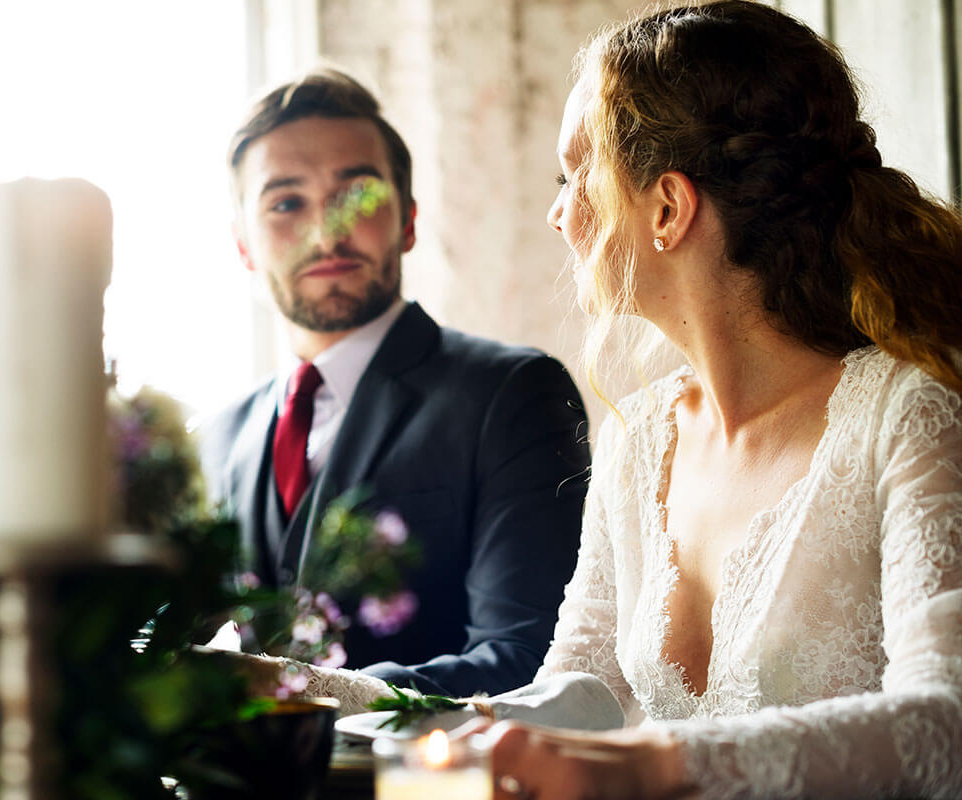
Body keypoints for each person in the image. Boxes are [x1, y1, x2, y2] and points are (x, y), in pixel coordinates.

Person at [287, 3, 962, 798]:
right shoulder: (640, 437)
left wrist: (657, 762)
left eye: (576, 173)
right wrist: (306, 692)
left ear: (668, 208)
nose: (558, 212)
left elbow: (944, 724)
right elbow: (569, 700)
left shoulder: (911, 416)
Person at [197, 68, 591, 699]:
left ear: (408, 220)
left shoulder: (514, 393)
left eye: (359, 193)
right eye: (286, 202)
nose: (326, 232)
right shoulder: (216, 438)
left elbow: (532, 662)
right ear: (243, 243)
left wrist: (305, 693)